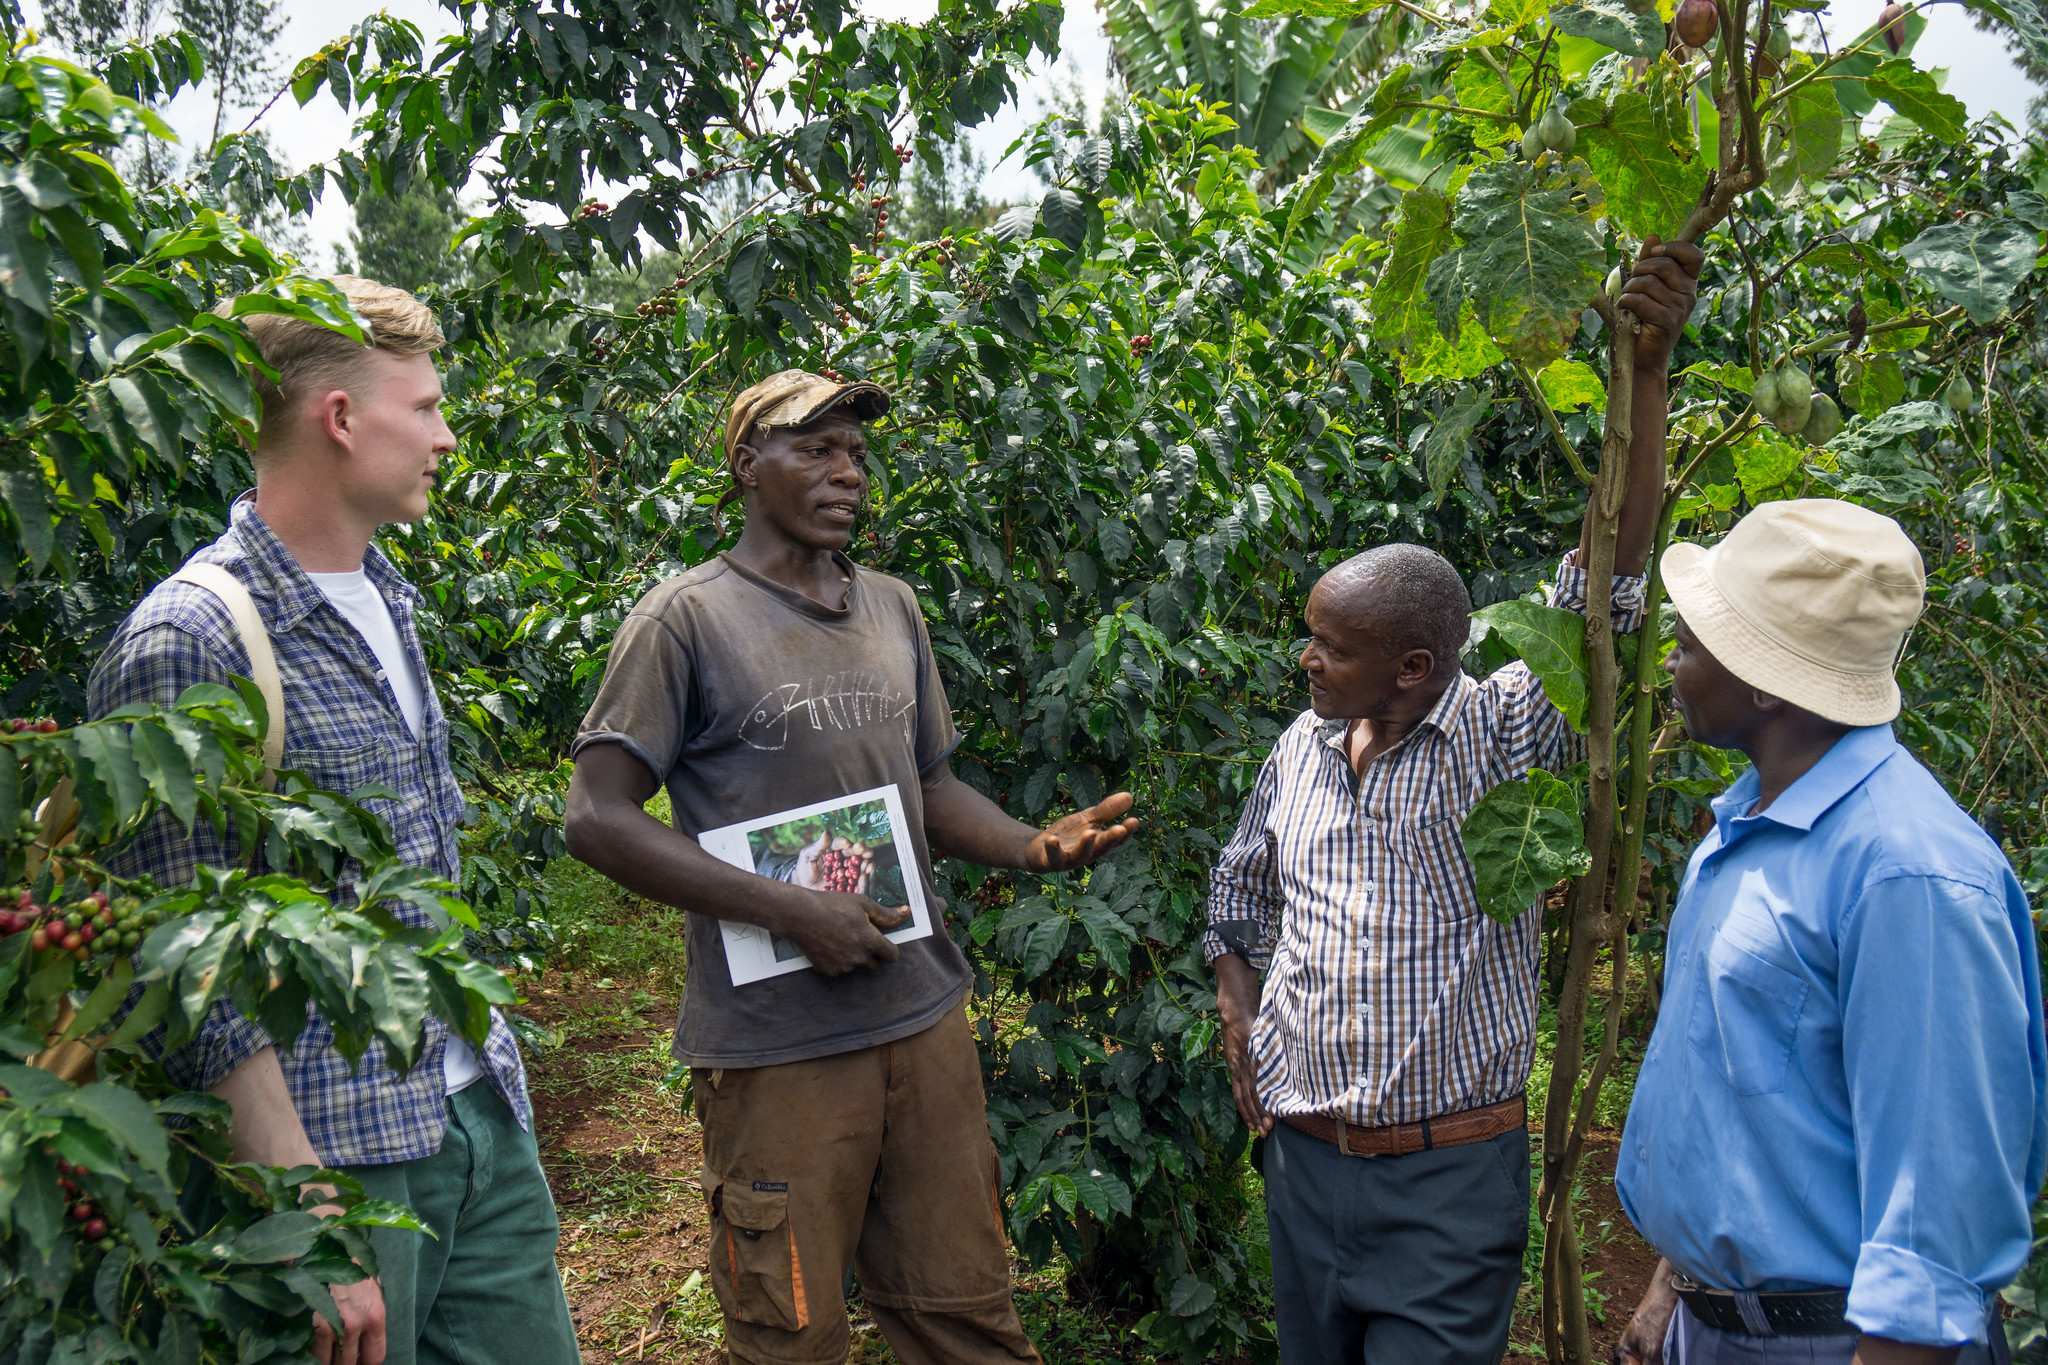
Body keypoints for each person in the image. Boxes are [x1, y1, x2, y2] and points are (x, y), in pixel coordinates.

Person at [562, 368, 1141, 1365]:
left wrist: (1031, 845)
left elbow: (927, 786)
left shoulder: (890, 608)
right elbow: (596, 818)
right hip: (778, 1046)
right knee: (787, 1328)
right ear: (746, 465)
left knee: (961, 1305)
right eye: (815, 450)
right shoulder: (683, 620)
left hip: (920, 1019)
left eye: (857, 456)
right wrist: (789, 910)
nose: (846, 473)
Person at [1205, 237, 1705, 1364]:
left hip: (1442, 1180)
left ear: (1414, 669)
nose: (1306, 664)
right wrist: (1240, 1020)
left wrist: (1645, 372)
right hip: (1301, 1165)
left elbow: (1604, 596)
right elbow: (1235, 894)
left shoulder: (1500, 733)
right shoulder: (1301, 747)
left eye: (1330, 649)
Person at [89, 277, 580, 1365]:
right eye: (428, 408)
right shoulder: (191, 638)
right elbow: (183, 957)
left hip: (473, 1115)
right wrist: (298, 1202)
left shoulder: (387, 596)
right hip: (337, 1155)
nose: (448, 437)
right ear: (342, 418)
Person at [1612, 499, 2048, 1365]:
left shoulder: (1907, 873)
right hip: (1723, 1325)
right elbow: (1749, 1104)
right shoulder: (1746, 825)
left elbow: (1938, 1207)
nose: (1671, 660)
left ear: (1767, 679)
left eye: (1693, 643)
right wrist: (1677, 1284)